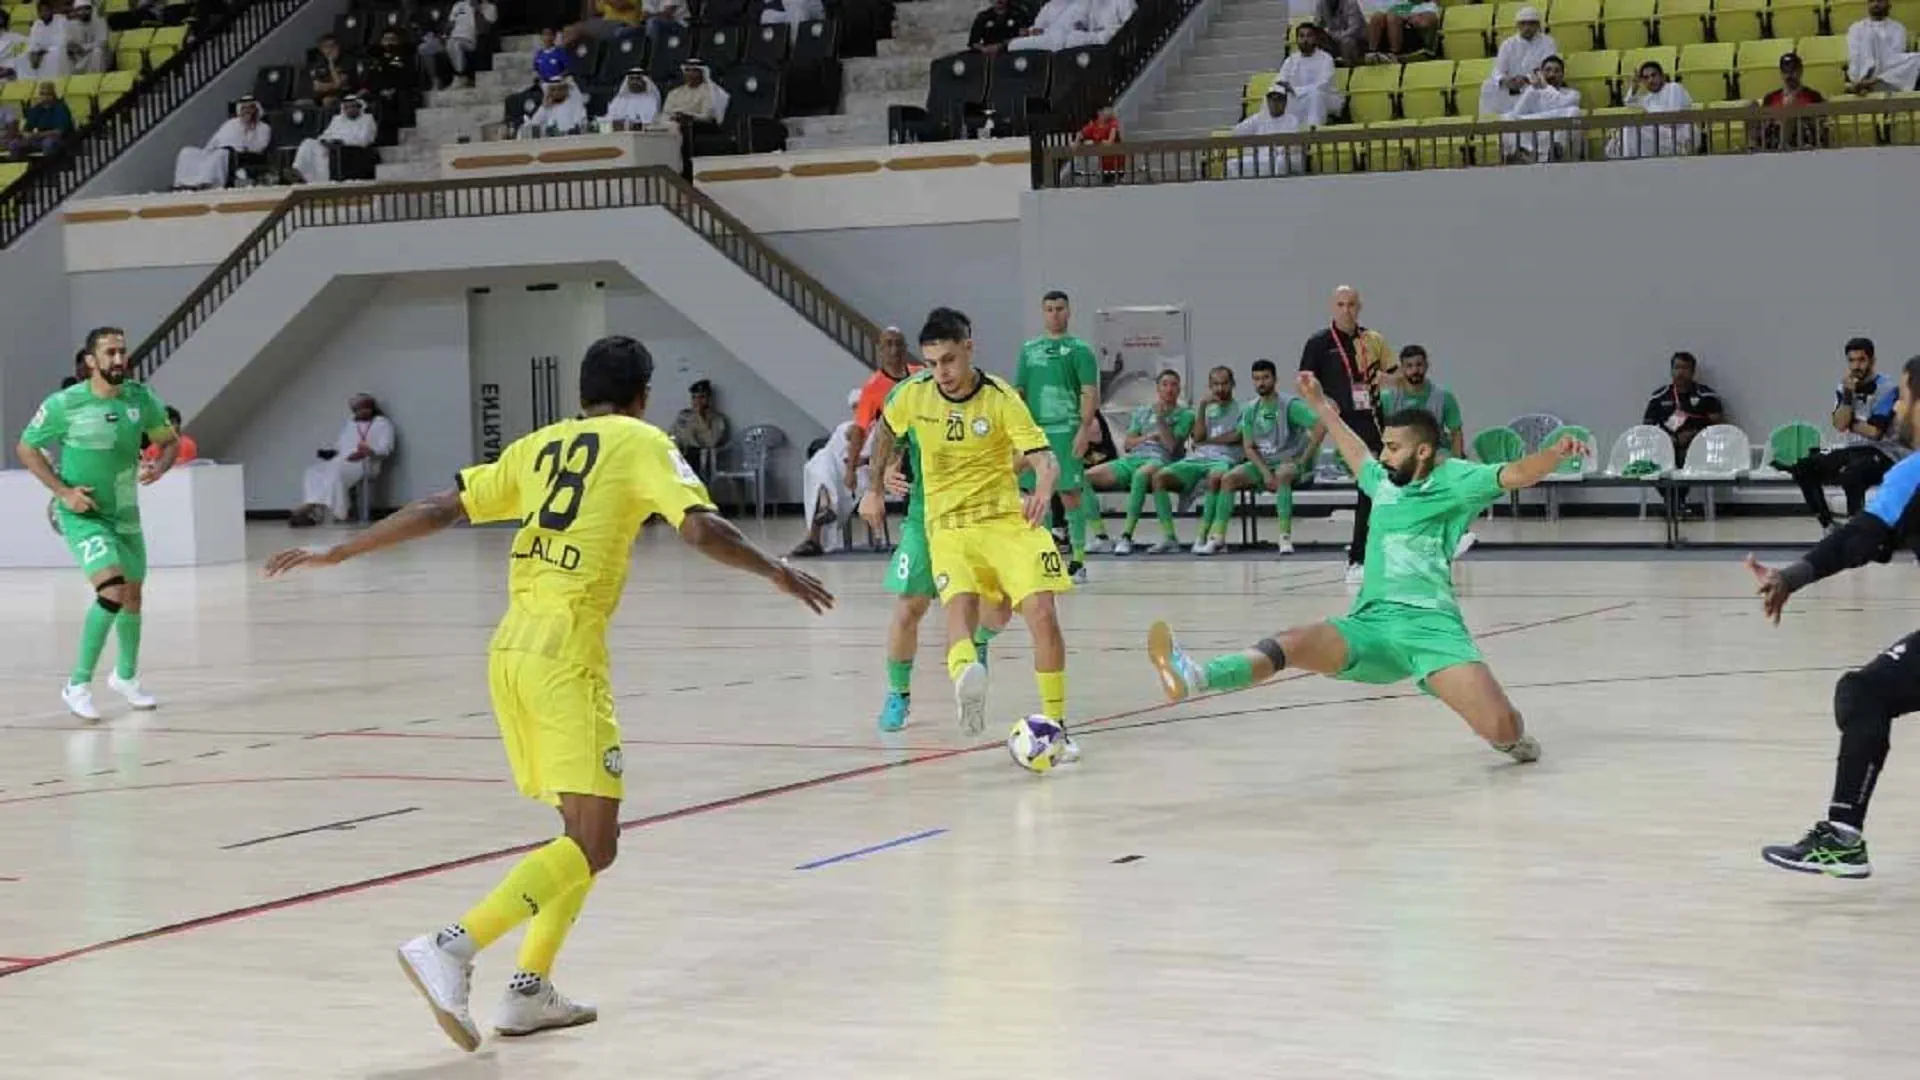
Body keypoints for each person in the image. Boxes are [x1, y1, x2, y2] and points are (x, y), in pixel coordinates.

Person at [263, 335, 832, 1050]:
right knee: (597, 843)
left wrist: (340, 549)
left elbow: (443, 508)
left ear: (581, 394)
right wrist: (775, 569)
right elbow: (698, 527)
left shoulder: (540, 446)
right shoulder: (640, 440)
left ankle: (529, 990)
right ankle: (451, 945)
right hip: (565, 655)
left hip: (510, 652)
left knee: (579, 835)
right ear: (643, 394)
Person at [1148, 372, 1586, 766]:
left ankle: (1513, 741)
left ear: (1424, 450)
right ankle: (1198, 676)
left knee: (1503, 727)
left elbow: (1514, 474)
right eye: (1383, 447)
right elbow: (1354, 449)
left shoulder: (1456, 479)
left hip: (1432, 631)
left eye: (1393, 448)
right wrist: (1320, 404)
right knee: (1294, 641)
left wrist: (1554, 456)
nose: (1384, 455)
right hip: (1370, 625)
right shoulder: (1382, 484)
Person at [858, 307, 1074, 751]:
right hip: (938, 518)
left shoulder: (999, 398)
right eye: (933, 363)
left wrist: (1045, 486)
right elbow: (884, 433)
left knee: (1033, 611)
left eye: (949, 361)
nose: (942, 373)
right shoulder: (912, 394)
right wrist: (876, 484)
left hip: (1004, 517)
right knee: (923, 605)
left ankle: (1054, 726)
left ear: (969, 349)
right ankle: (907, 692)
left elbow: (1041, 455)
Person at [1749, 354, 1920, 878]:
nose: (1901, 409)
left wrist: (1793, 576)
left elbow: (1858, 538)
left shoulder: (1914, 473)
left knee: (1864, 693)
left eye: (1907, 399)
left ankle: (1843, 839)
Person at [15, 327, 180, 721]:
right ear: (91, 361)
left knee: (134, 596)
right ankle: (77, 684)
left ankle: (125, 677)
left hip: (126, 514)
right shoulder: (65, 403)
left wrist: (160, 464)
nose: (119, 359)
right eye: (110, 353)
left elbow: (169, 440)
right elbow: (26, 447)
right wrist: (63, 492)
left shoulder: (141, 398)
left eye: (122, 351)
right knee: (111, 590)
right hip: (84, 514)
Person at [873, 402, 1011, 732]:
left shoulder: (987, 400)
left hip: (975, 519)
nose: (943, 372)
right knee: (910, 607)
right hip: (924, 520)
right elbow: (891, 439)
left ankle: (976, 640)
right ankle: (898, 694)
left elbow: (1021, 449)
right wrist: (887, 472)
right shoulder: (916, 399)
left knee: (999, 606)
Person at [1300, 285, 1385, 584]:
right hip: (1342, 426)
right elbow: (1305, 382)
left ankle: (1379, 554)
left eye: (1351, 304)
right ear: (1333, 307)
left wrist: (1385, 379)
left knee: (1382, 486)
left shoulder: (1371, 339)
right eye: (1341, 304)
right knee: (1367, 484)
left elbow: (1391, 373)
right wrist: (1323, 402)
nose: (1346, 309)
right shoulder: (1320, 343)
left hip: (1374, 422)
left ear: (1359, 307)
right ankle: (1357, 559)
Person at [1014, 290, 1100, 582]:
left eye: (1060, 308)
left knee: (1070, 494)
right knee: (1038, 494)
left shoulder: (1080, 350)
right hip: (1035, 432)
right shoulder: (1029, 350)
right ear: (1043, 312)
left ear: (1069, 311)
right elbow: (1020, 393)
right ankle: (1047, 556)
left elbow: (1089, 392)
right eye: (1049, 309)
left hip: (1066, 428)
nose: (1054, 314)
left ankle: (1078, 561)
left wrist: (1084, 430)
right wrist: (1016, 433)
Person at [1201, 358, 1323, 555]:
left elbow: (1320, 427)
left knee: (1283, 474)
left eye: (1265, 377)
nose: (1261, 383)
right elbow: (1248, 447)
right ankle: (1218, 538)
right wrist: (1265, 473)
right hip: (1264, 462)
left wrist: (1303, 460)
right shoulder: (1250, 409)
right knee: (1228, 479)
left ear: (1275, 379)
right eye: (1256, 379)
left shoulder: (1289, 405)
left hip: (1288, 461)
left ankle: (1284, 537)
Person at [1788, 336, 1901, 530]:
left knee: (1852, 474)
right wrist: (1848, 397)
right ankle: (1828, 525)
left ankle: (1856, 530)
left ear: (1872, 361)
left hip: (1882, 452)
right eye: (1852, 360)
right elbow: (1840, 425)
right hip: (1852, 450)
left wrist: (1849, 421)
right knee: (1802, 467)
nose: (1856, 366)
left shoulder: (1887, 388)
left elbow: (1874, 432)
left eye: (1861, 360)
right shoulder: (1844, 387)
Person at [1086, 369, 1193, 555]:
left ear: (1178, 389)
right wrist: (1148, 437)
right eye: (1164, 385)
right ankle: (1100, 537)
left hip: (1162, 461)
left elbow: (1171, 447)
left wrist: (1161, 420)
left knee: (1141, 475)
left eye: (1174, 385)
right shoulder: (1142, 412)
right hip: (1133, 458)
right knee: (1084, 477)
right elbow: (1128, 444)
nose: (1169, 389)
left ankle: (1126, 536)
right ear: (1157, 389)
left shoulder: (1186, 415)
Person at [1155, 365, 1243, 556]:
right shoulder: (1206, 409)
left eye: (1224, 384)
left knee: (1216, 477)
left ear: (1233, 384)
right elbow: (1198, 437)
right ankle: (1170, 538)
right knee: (1160, 478)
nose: (1220, 389)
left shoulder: (1242, 409)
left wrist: (1208, 440)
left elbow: (1236, 437)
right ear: (1210, 386)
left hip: (1224, 458)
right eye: (1215, 384)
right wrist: (1202, 407)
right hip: (1199, 458)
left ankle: (1203, 536)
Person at [290, 393, 396, 526]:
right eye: (357, 409)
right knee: (313, 471)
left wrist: (369, 451)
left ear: (371, 408)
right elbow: (340, 445)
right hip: (342, 460)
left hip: (365, 463)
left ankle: (326, 511)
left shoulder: (382, 424)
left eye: (364, 407)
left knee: (335, 473)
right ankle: (313, 508)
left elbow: (386, 448)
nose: (361, 411)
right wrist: (331, 452)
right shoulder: (351, 423)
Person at [1641, 350, 1724, 516]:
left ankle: (1674, 504)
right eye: (1677, 367)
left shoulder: (1706, 395)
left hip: (1698, 446)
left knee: (1684, 457)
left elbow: (1718, 426)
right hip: (1667, 444)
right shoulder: (1659, 396)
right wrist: (1668, 439)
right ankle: (1676, 503)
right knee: (1651, 460)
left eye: (1685, 368)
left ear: (1693, 372)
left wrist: (1694, 436)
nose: (1680, 372)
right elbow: (1648, 427)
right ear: (1671, 370)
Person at [172, 96, 271, 189]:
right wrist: (207, 151)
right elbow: (215, 140)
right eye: (244, 108)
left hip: (235, 154)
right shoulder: (230, 123)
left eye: (250, 108)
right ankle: (183, 182)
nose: (247, 111)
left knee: (220, 154)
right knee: (186, 152)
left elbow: (259, 147)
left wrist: (248, 130)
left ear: (256, 110)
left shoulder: (263, 127)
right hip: (216, 151)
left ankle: (206, 183)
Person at [1479, 6, 1558, 118]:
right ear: (1517, 26)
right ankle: (1491, 124)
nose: (1527, 27)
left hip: (1536, 83)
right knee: (1488, 86)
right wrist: (1504, 80)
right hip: (1511, 85)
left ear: (1538, 25)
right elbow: (1498, 69)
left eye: (1531, 24)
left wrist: (1526, 79)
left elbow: (1549, 68)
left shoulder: (1548, 42)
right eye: (1523, 24)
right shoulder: (1508, 44)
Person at [292, 94, 378, 182]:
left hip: (349, 151)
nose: (350, 109)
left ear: (359, 107)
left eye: (353, 107)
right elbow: (326, 134)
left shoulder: (367, 119)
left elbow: (365, 140)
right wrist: (325, 141)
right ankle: (299, 170)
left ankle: (322, 182)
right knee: (308, 142)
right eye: (347, 107)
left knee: (326, 155)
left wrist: (342, 142)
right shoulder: (337, 119)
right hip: (331, 147)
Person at [1226, 82, 1303, 177]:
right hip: (1262, 156)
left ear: (1285, 102)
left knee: (1280, 163)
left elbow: (1292, 145)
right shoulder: (1259, 118)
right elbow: (1237, 132)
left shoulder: (1292, 120)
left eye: (1279, 99)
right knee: (1233, 164)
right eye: (1272, 100)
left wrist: (1277, 151)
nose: (1275, 103)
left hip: (1283, 157)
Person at [1276, 24, 1343, 128]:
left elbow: (1323, 85)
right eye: (1301, 36)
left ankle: (1312, 136)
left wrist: (1295, 90)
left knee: (1315, 95)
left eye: (1309, 36)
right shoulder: (1291, 60)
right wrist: (1284, 90)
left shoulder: (1326, 58)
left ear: (1315, 39)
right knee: (1275, 96)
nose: (1305, 40)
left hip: (1325, 98)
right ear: (1297, 39)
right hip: (1297, 99)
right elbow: (1280, 82)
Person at [1846, 0, 1920, 94]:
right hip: (1863, 72)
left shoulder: (1898, 28)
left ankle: (1869, 83)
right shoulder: (1856, 27)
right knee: (1869, 35)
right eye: (1872, 1)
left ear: (1888, 4)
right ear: (1868, 4)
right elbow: (1855, 55)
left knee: (1917, 58)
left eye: (1880, 1)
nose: (1876, 4)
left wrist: (1879, 60)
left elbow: (1895, 56)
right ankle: (1862, 82)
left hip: (1889, 75)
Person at [1760, 52, 1826, 150]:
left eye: (1793, 70)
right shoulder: (1770, 98)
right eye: (1785, 71)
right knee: (1750, 106)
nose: (1789, 75)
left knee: (1791, 111)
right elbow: (1765, 125)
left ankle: (1783, 146)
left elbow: (1821, 125)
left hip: (1803, 143)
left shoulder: (1814, 96)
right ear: (1781, 73)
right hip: (1773, 144)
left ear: (1800, 71)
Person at [670, 378, 729, 482]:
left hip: (704, 462)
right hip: (683, 458)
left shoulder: (717, 420)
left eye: (701, 397)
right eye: (694, 398)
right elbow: (673, 435)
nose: (697, 401)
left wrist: (700, 417)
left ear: (709, 399)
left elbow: (711, 442)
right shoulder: (684, 416)